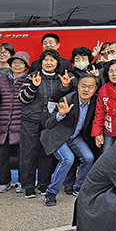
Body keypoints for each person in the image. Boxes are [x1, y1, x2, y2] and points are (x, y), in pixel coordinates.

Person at [18, 49, 72, 199]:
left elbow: (60, 100)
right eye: (46, 60)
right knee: (28, 153)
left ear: (57, 63)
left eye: (52, 60)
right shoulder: (32, 76)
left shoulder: (60, 78)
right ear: (40, 63)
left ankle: (44, 184)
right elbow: (22, 99)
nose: (49, 63)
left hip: (50, 122)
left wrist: (64, 87)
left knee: (47, 154)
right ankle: (28, 186)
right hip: (31, 120)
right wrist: (33, 86)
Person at [41, 75, 98, 207]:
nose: (86, 90)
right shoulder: (67, 99)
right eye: (83, 86)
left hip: (75, 136)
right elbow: (48, 124)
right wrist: (60, 115)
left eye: (90, 87)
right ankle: (51, 192)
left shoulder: (95, 101)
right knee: (67, 159)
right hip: (57, 136)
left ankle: (78, 187)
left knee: (89, 158)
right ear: (78, 87)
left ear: (95, 89)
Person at [0, 51, 29, 193]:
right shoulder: (1, 80)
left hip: (21, 123)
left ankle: (22, 181)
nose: (17, 65)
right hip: (3, 123)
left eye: (20, 63)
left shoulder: (30, 79)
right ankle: (3, 182)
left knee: (23, 156)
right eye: (14, 63)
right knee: (0, 155)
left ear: (25, 66)